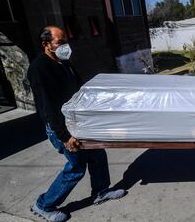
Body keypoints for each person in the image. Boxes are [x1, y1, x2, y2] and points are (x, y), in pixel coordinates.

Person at [27, 26, 126, 221]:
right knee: (77, 166)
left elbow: (79, 89)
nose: (65, 46)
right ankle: (44, 205)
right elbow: (48, 107)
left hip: (80, 122)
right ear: (46, 45)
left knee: (97, 154)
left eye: (66, 41)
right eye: (60, 42)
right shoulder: (39, 69)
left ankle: (101, 191)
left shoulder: (64, 62)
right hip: (62, 127)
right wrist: (65, 136)